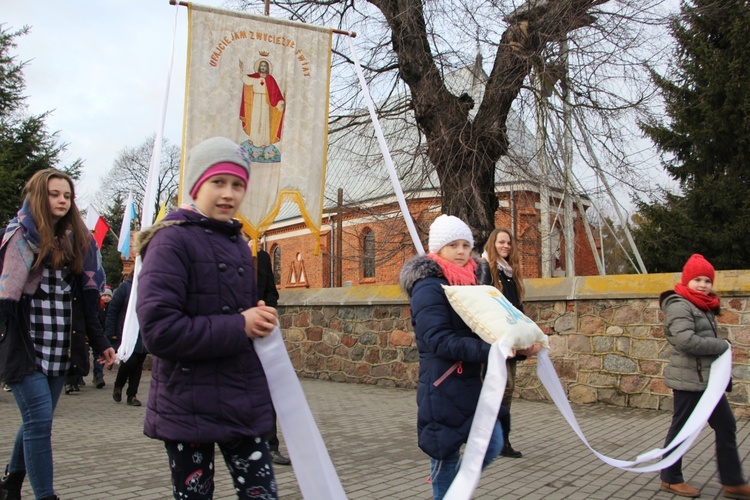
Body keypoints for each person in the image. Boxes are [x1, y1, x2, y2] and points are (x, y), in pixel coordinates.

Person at [136, 136, 280, 499]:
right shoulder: (170, 242)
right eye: (218, 182)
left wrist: (258, 319)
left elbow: (236, 313)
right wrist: (240, 325)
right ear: (197, 185)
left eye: (238, 185)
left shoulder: (236, 241)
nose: (228, 194)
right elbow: (160, 331)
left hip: (239, 400)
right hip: (188, 406)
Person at [398, 214, 540, 500]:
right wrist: (493, 351)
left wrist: (519, 347)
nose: (462, 251)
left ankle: (456, 490)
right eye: (453, 245)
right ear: (438, 249)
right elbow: (437, 339)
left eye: (466, 244)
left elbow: (491, 330)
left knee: (493, 443)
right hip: (444, 384)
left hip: (475, 384)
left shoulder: (477, 284)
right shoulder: (428, 286)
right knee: (445, 456)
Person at [0, 168, 116, 500]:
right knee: (39, 423)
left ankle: (10, 484)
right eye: (54, 194)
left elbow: (86, 302)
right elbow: (5, 298)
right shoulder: (19, 236)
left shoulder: (77, 242)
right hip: (23, 346)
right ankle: (46, 495)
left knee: (36, 421)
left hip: (58, 347)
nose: (62, 200)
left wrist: (101, 342)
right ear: (39, 195)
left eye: (67, 195)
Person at [659, 254, 750, 499]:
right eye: (697, 279)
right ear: (687, 280)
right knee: (682, 430)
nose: (703, 284)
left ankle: (732, 481)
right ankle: (670, 478)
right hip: (688, 380)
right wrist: (722, 345)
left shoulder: (702, 305)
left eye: (707, 280)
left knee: (726, 426)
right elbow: (684, 340)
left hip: (708, 381)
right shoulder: (679, 304)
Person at [481, 227, 526, 458]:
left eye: (508, 242)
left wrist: (523, 336)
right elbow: (486, 309)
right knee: (501, 390)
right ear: (493, 243)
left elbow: (517, 308)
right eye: (501, 242)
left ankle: (499, 440)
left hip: (511, 341)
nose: (506, 246)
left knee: (507, 392)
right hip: (496, 342)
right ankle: (494, 440)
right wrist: (500, 339)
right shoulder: (486, 270)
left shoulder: (510, 272)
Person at [256, 248, 291, 466]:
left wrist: (265, 313)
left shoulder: (261, 256)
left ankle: (270, 446)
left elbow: (272, 292)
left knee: (267, 393)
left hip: (261, 334)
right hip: (231, 334)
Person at [106, 273, 148, 406]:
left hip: (143, 332)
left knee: (138, 363)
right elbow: (113, 310)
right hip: (126, 331)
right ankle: (119, 385)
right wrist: (110, 332)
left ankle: (132, 394)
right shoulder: (125, 288)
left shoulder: (150, 287)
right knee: (130, 361)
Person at [239, 58, 285, 147]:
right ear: (259, 67)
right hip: (256, 98)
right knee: (255, 118)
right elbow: (247, 80)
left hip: (265, 100)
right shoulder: (255, 77)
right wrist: (242, 69)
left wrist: (280, 102)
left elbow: (276, 92)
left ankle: (264, 142)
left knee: (264, 120)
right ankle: (253, 139)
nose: (263, 67)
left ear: (267, 68)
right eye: (261, 65)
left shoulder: (270, 79)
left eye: (264, 66)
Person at [91, 286, 113, 389]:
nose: (106, 297)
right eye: (104, 295)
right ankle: (98, 375)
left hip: (106, 335)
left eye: (109, 295)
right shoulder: (97, 307)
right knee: (97, 356)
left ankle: (98, 374)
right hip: (98, 335)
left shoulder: (112, 308)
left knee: (101, 356)